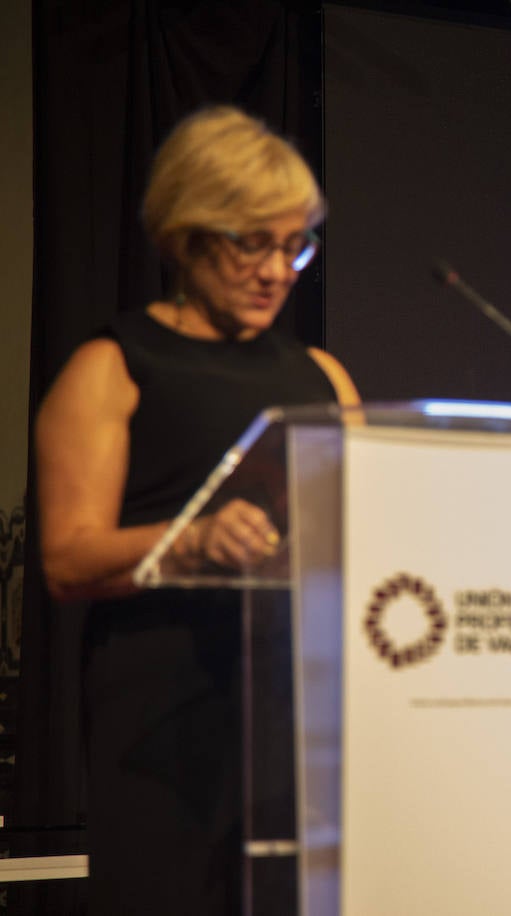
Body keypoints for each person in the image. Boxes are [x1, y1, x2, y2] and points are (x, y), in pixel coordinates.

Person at [35, 105, 360, 913]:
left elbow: (362, 535)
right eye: (252, 243)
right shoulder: (112, 367)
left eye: (294, 247)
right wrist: (194, 541)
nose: (277, 271)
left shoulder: (323, 378)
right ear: (185, 238)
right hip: (162, 719)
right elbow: (67, 559)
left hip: (298, 711)